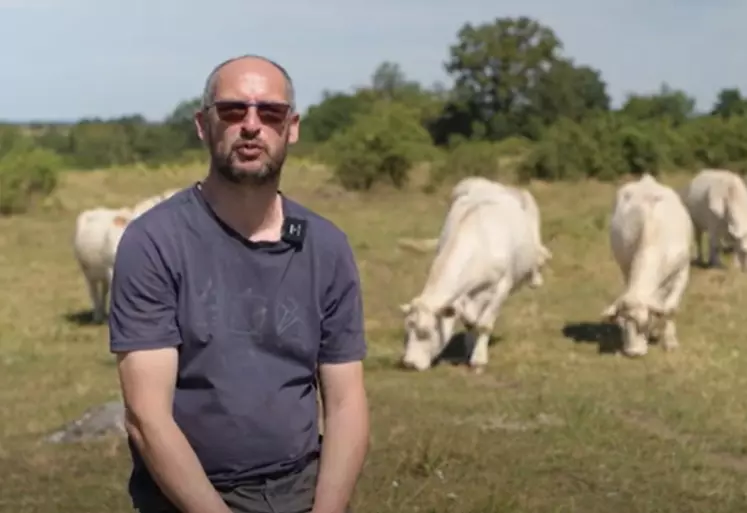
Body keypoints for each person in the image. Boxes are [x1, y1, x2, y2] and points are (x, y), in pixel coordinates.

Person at [108, 54, 370, 513]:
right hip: (187, 494)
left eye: (270, 112)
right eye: (232, 111)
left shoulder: (326, 247)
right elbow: (146, 418)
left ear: (291, 127)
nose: (251, 125)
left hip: (302, 489)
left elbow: (347, 403)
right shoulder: (154, 241)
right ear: (202, 124)